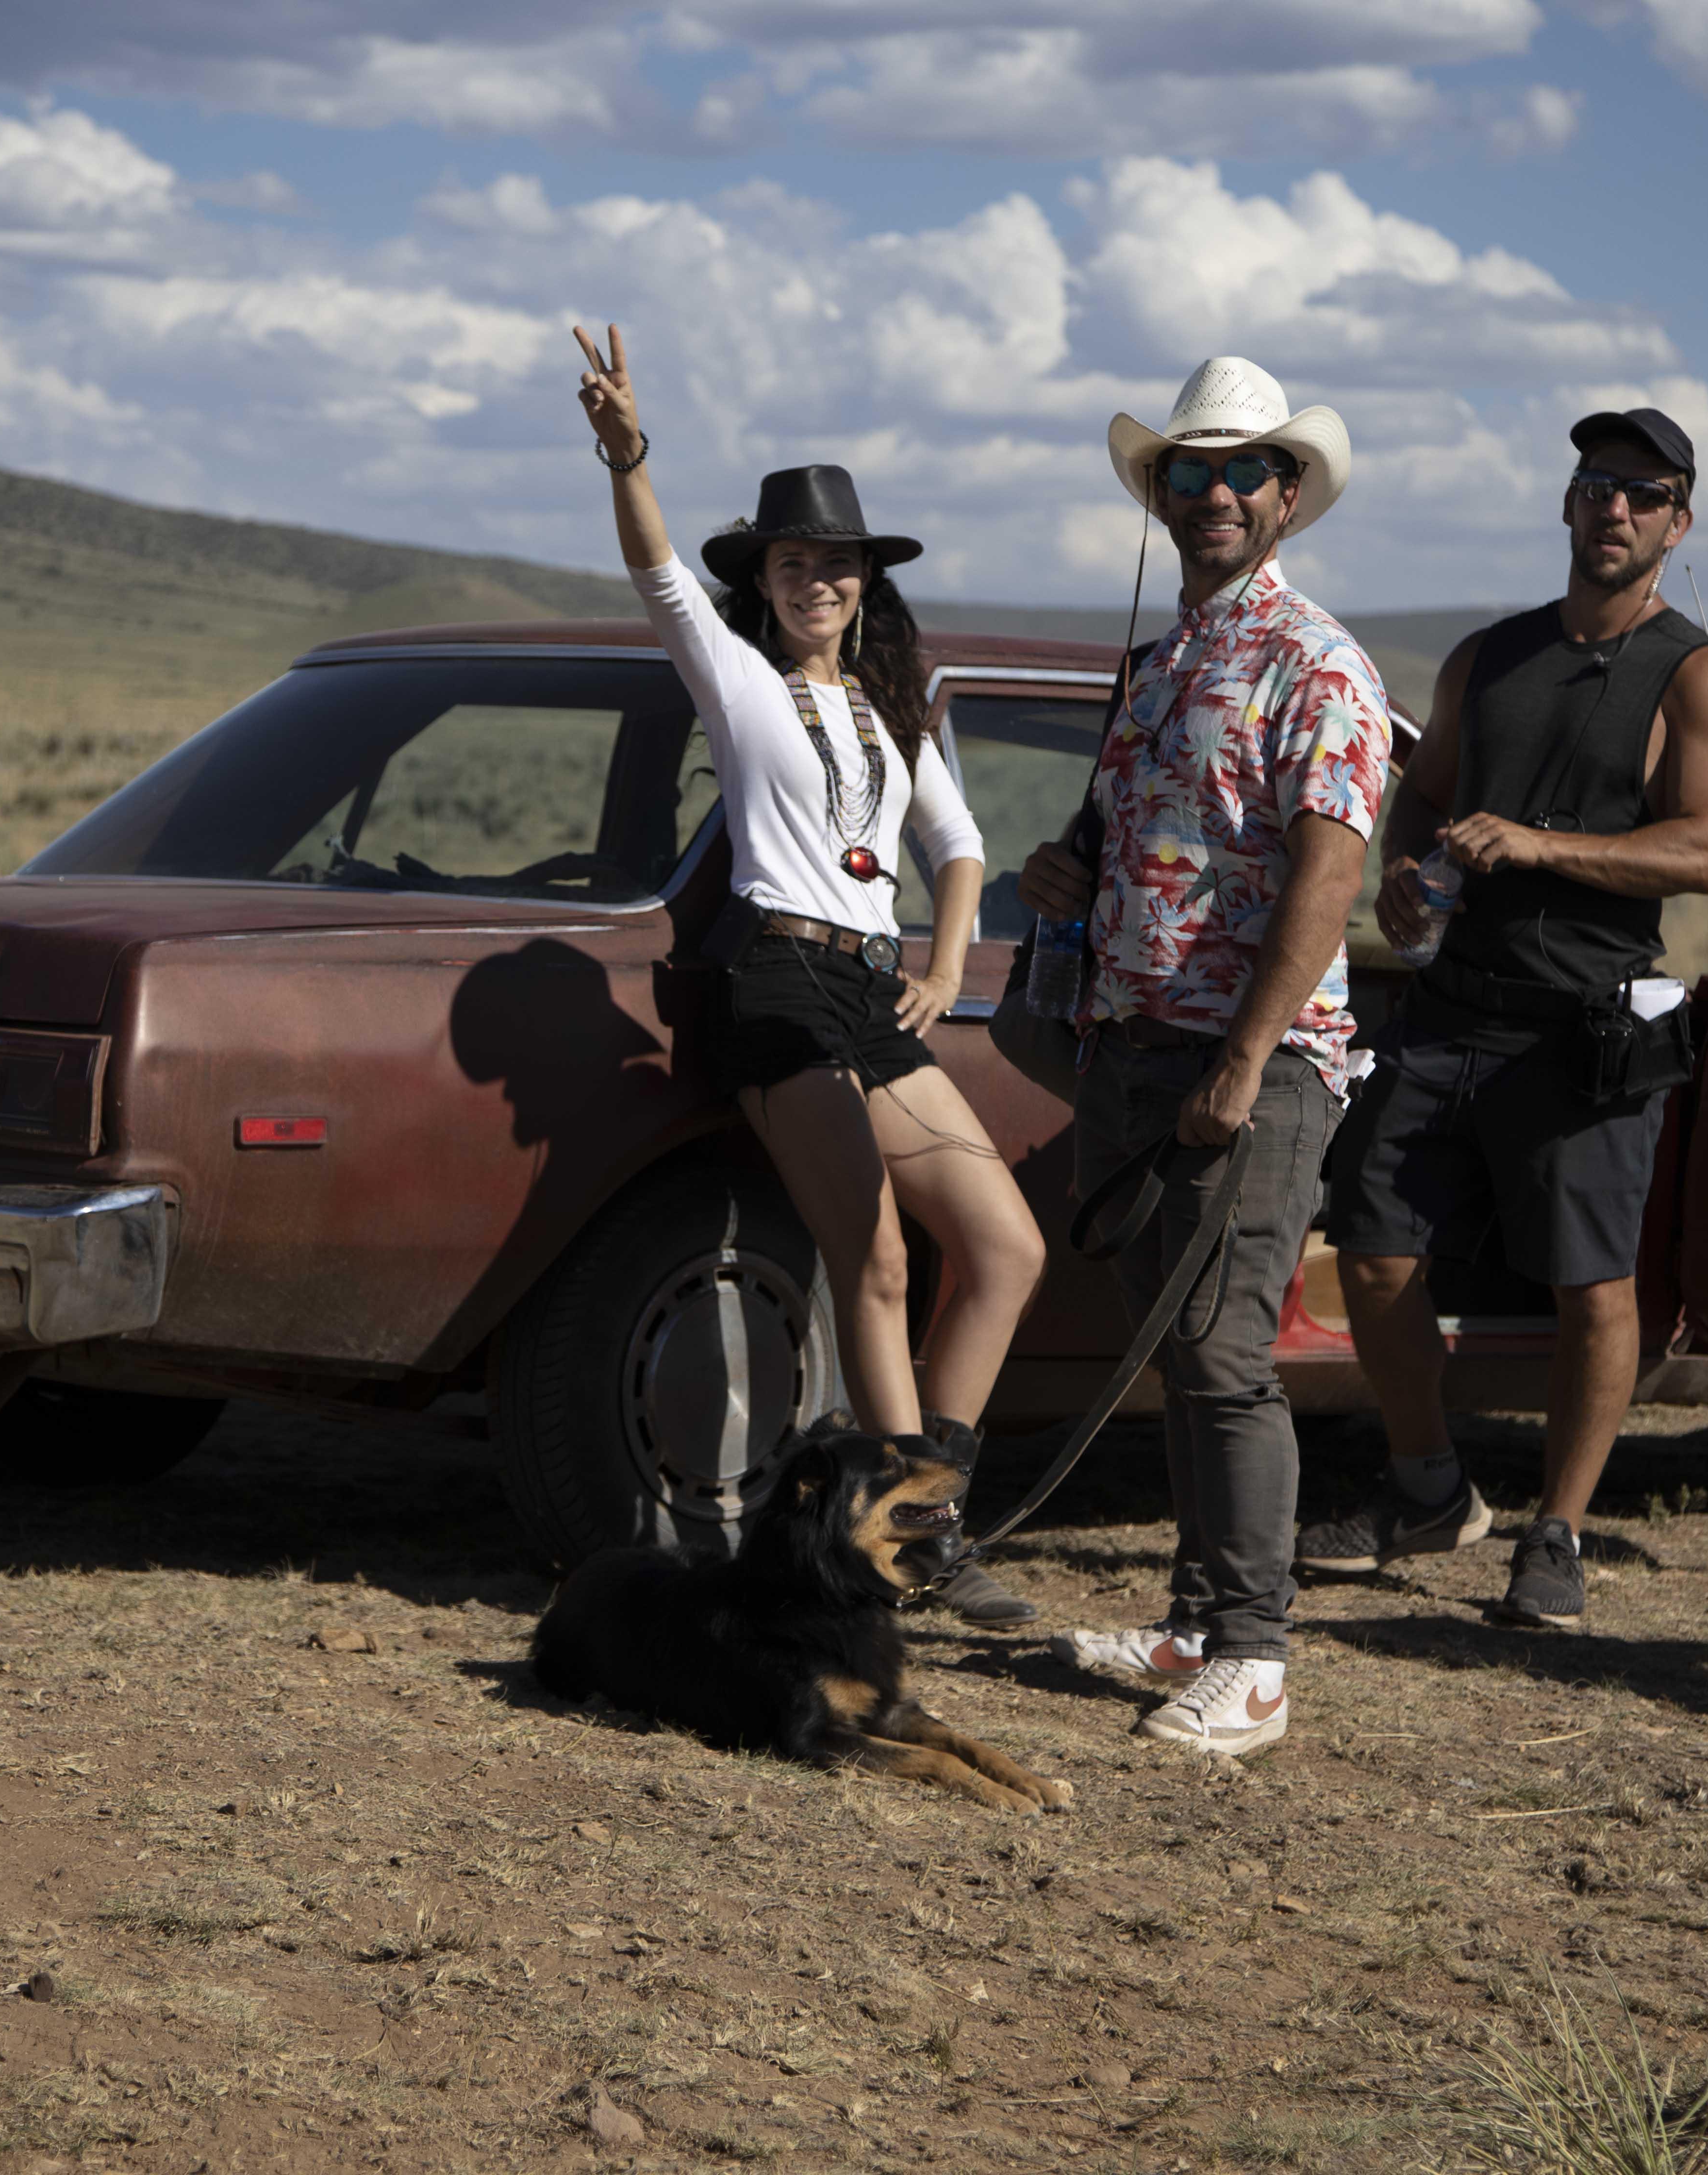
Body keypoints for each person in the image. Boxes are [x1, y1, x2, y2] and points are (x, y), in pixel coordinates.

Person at [572, 323, 1049, 1627]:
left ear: (861, 582)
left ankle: (919, 1497)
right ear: (769, 582)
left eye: (834, 565)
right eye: (793, 565)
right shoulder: (741, 684)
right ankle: (925, 1543)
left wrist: (947, 967)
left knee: (1006, 1246)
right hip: (775, 984)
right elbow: (663, 579)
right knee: (880, 1261)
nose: (814, 583)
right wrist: (630, 458)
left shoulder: (893, 712)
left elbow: (958, 847)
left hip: (873, 992)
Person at [1304, 406, 1708, 1629]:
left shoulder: (1696, 674)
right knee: (1374, 1239)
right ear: (1566, 503)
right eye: (1597, 483)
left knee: (1592, 1286)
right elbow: (1428, 796)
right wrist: (1404, 878)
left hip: (1585, 1026)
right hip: (1454, 1006)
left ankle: (1555, 1532)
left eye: (1645, 493)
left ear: (1678, 522)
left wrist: (1540, 845)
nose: (1616, 506)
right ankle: (1429, 1487)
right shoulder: (1487, 657)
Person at [1024, 356, 1393, 1757]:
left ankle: (1254, 1657)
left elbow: (1326, 874)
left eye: (1246, 470)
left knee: (1228, 1350)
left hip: (1254, 1059)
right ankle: (1197, 1615)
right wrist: (1073, 872)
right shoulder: (1163, 660)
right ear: (1162, 495)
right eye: (1193, 471)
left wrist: (1245, 1057)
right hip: (1135, 1046)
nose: (1220, 493)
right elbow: (1160, 841)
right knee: (1178, 1341)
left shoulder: (1319, 664)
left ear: (1289, 495)